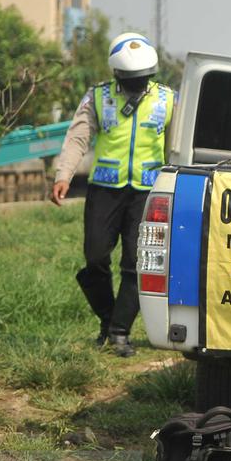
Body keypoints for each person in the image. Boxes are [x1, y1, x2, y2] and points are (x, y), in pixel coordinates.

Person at [50, 33, 174, 356]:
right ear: (116, 73)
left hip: (148, 193)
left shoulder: (168, 100)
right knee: (95, 258)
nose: (136, 84)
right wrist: (63, 175)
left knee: (136, 262)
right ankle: (108, 319)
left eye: (141, 78)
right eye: (130, 78)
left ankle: (120, 332)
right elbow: (78, 137)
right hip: (104, 190)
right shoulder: (98, 97)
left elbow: (178, 146)